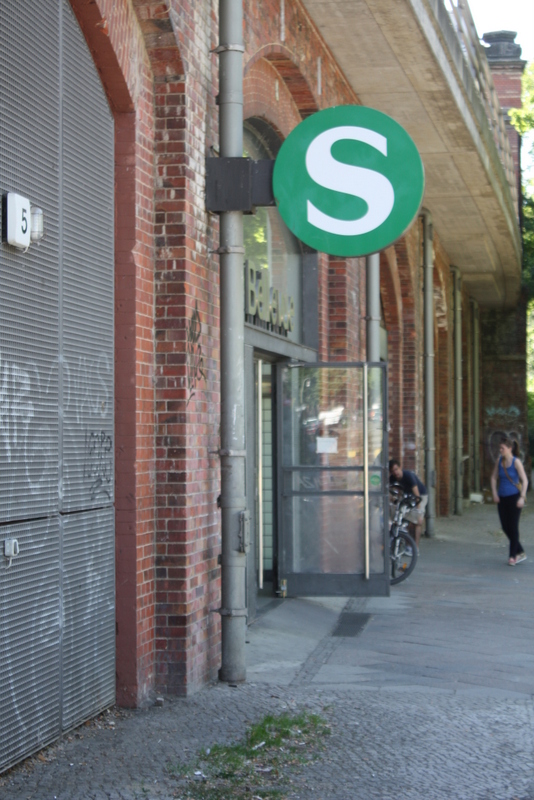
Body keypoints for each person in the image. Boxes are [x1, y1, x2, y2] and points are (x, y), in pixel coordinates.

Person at [490, 437, 528, 566]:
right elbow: (493, 478)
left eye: (503, 448)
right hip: (502, 498)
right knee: (505, 527)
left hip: (514, 497)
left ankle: (513, 556)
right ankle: (520, 550)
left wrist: (522, 497)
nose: (500, 450)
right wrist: (494, 493)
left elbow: (525, 480)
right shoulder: (499, 461)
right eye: (500, 448)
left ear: (510, 448)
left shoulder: (516, 462)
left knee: (513, 526)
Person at [389, 458, 427, 547]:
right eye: (392, 471)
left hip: (420, 495)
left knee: (418, 521)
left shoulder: (408, 476)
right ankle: (404, 543)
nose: (395, 473)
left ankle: (415, 547)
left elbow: (417, 495)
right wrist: (394, 499)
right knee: (401, 517)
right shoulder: (392, 478)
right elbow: (390, 491)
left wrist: (419, 511)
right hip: (407, 495)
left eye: (396, 469)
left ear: (400, 467)